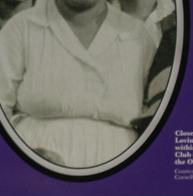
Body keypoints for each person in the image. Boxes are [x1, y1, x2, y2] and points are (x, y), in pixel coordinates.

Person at [0, 0, 159, 169]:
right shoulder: (21, 27)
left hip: (119, 175)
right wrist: (22, 159)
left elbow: (155, 120)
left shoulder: (138, 36)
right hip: (36, 173)